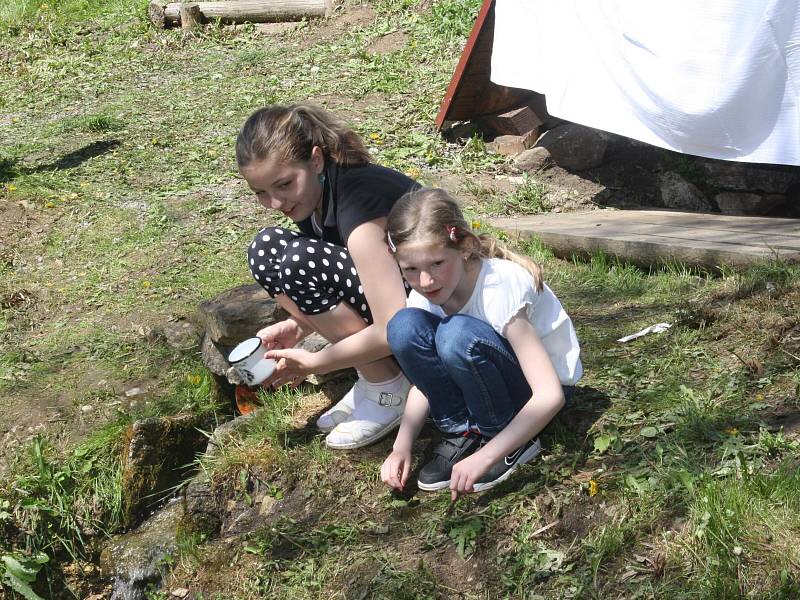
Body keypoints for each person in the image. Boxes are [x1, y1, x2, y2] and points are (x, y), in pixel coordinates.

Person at [235, 104, 419, 449]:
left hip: (437, 315)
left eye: (284, 184)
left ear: (316, 160)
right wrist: (298, 326)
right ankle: (374, 377)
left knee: (300, 261)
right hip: (399, 302)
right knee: (266, 249)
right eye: (261, 192)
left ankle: (389, 389)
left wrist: (317, 363)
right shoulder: (312, 194)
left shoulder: (358, 202)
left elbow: (394, 324)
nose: (275, 202)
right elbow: (350, 279)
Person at [380, 188, 582, 498]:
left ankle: (502, 439)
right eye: (410, 269)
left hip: (538, 395)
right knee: (403, 328)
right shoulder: (423, 294)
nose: (425, 281)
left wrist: (486, 458)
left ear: (464, 248)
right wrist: (402, 444)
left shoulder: (499, 288)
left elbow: (550, 394)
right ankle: (465, 431)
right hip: (486, 378)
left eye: (436, 263)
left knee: (456, 334)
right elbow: (425, 379)